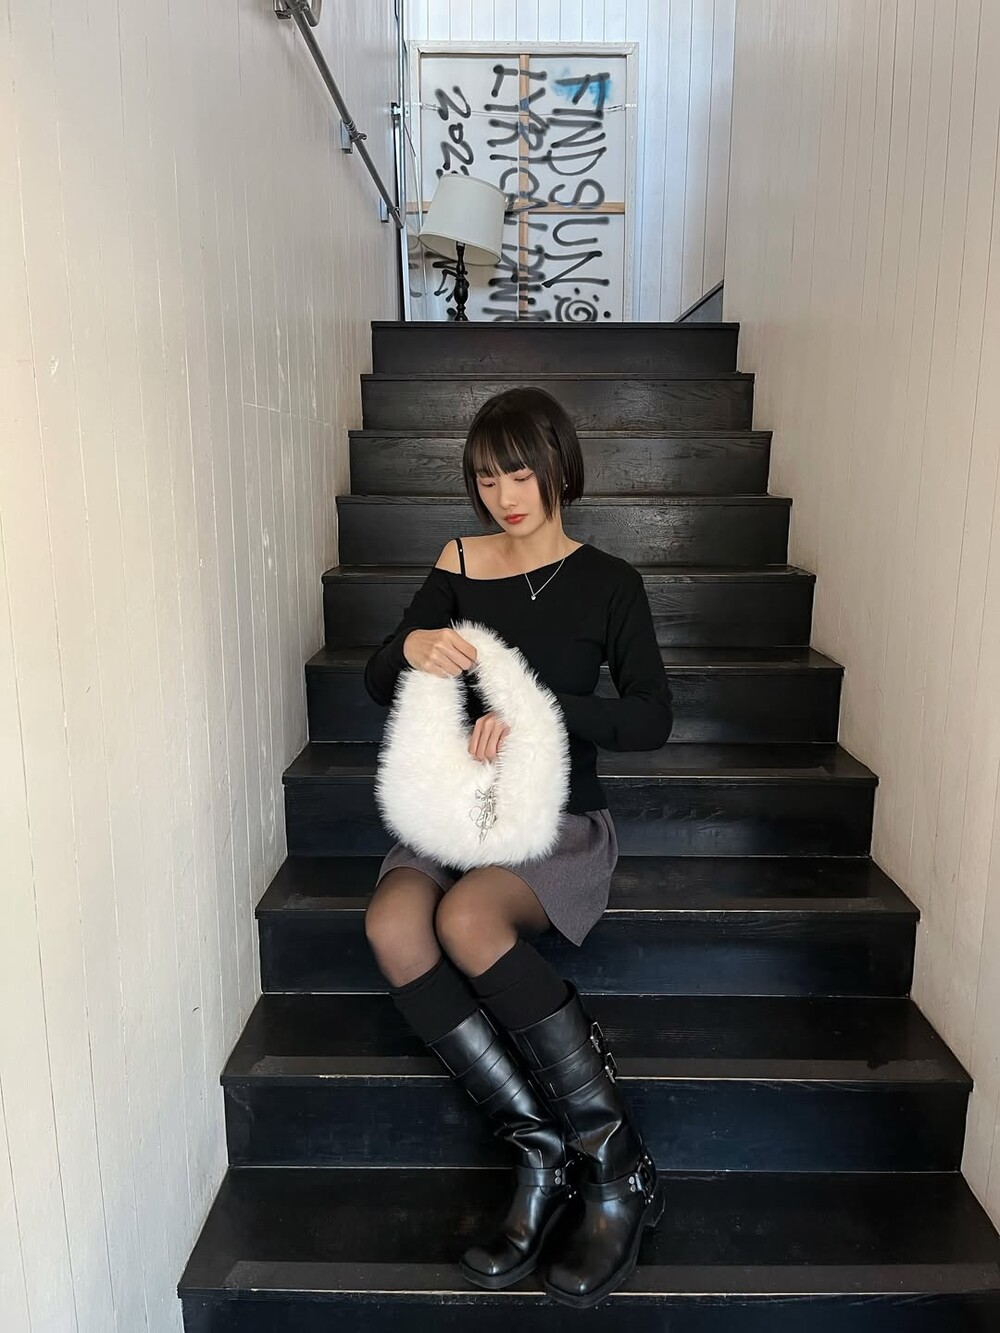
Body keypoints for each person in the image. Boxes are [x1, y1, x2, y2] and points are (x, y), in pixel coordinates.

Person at [362, 386, 674, 1309]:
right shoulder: (458, 561)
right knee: (392, 924)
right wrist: (413, 643)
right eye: (487, 477)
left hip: (556, 817)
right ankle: (539, 1147)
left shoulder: (611, 582)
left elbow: (652, 718)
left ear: (558, 466)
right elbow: (381, 675)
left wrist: (540, 709)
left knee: (466, 918)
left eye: (520, 472)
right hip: (455, 807)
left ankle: (615, 1164)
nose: (504, 495)